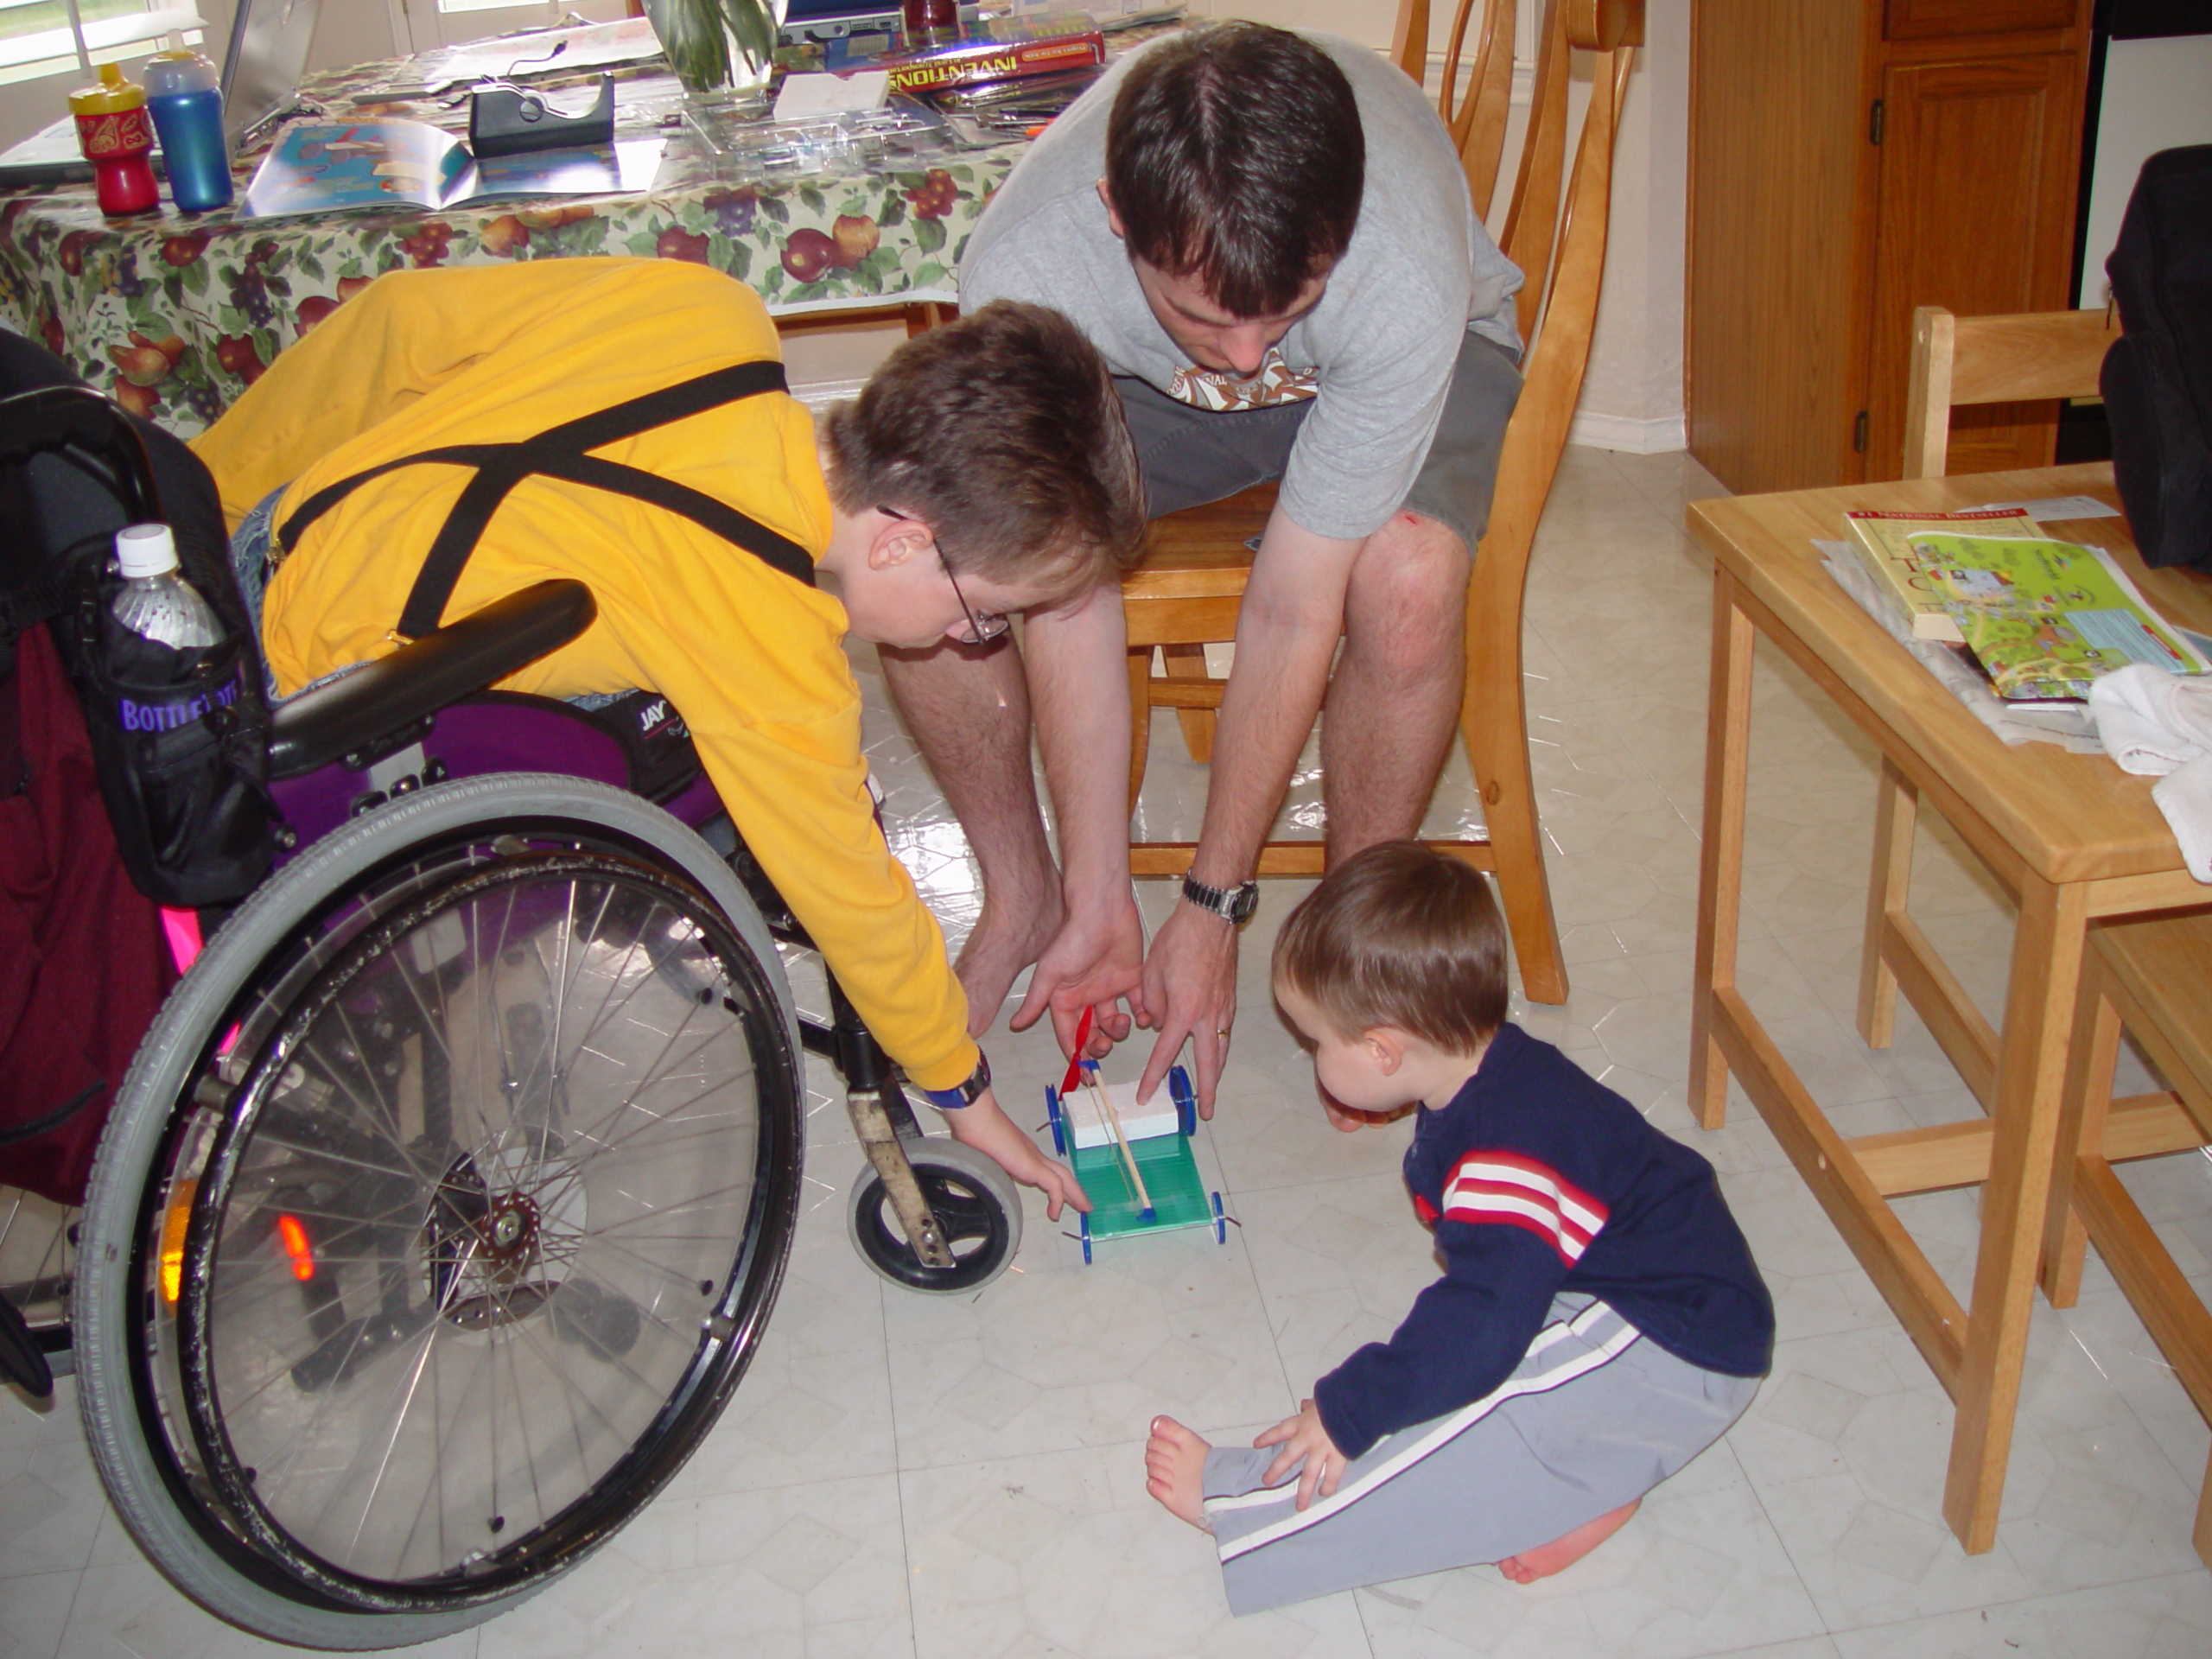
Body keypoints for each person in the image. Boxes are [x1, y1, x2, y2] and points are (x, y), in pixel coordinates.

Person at [190, 257, 1148, 1218]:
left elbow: (397, 318)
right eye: (981, 615)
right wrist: (961, 1088)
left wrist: (207, 497)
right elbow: (844, 885)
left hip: (265, 542)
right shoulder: (757, 624)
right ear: (901, 541)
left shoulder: (706, 310)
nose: (959, 640)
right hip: (316, 705)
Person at [893, 21, 1526, 1115]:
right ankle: (1029, 895)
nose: (1246, 359)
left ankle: (1352, 955)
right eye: (1199, 314)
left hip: (1404, 360)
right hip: (1137, 389)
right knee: (938, 564)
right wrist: (1107, 891)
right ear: (1116, 219)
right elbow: (1067, 578)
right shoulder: (1027, 266)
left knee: (1407, 580)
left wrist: (1210, 902)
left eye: (1282, 314)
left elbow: (1290, 607)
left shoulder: (1396, 267)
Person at [1143, 843, 1773, 1612]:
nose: (1311, 1056)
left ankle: (1242, 1503)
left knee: (1449, 1426)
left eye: (1316, 1043)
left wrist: (1349, 1412)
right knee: (1495, 1389)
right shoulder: (1489, 1064)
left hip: (1673, 1344)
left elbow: (1476, 1334)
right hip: (1630, 1293)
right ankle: (1590, 1479)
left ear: (1383, 1050)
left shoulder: (1509, 1159)